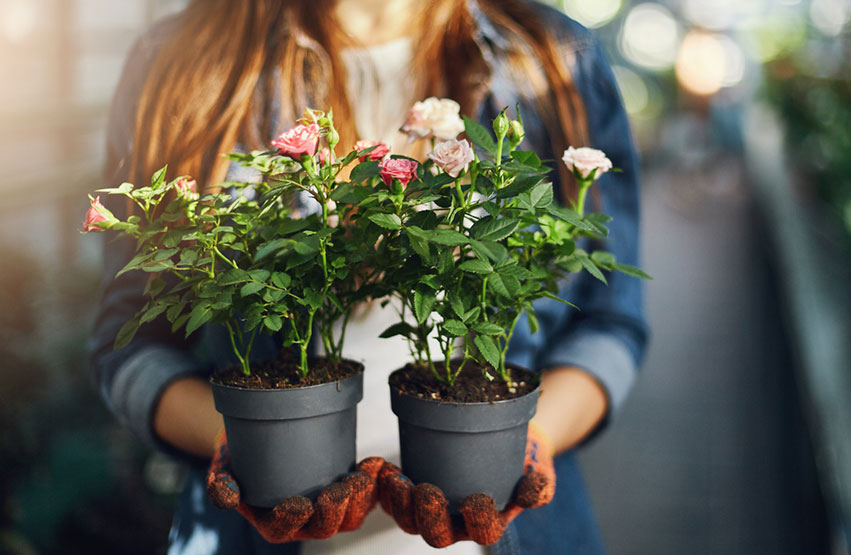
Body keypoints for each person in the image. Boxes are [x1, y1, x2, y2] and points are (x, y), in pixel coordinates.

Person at [90, 0, 647, 553]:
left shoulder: (552, 58)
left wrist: (531, 439)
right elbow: (128, 344)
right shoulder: (183, 56)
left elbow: (610, 324)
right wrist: (239, 444)